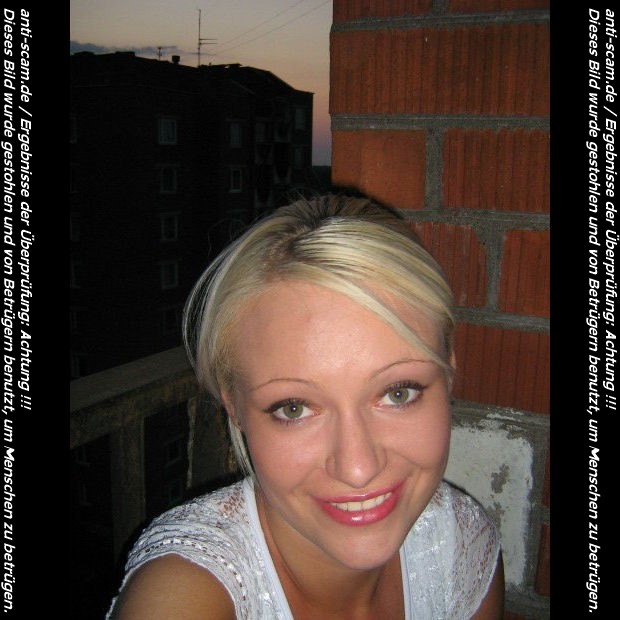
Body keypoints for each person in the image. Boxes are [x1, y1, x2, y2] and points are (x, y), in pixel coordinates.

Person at [107, 194, 504, 619]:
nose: (358, 469)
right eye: (294, 408)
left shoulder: (463, 546)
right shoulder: (184, 590)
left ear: (448, 372)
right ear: (233, 405)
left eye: (398, 393)